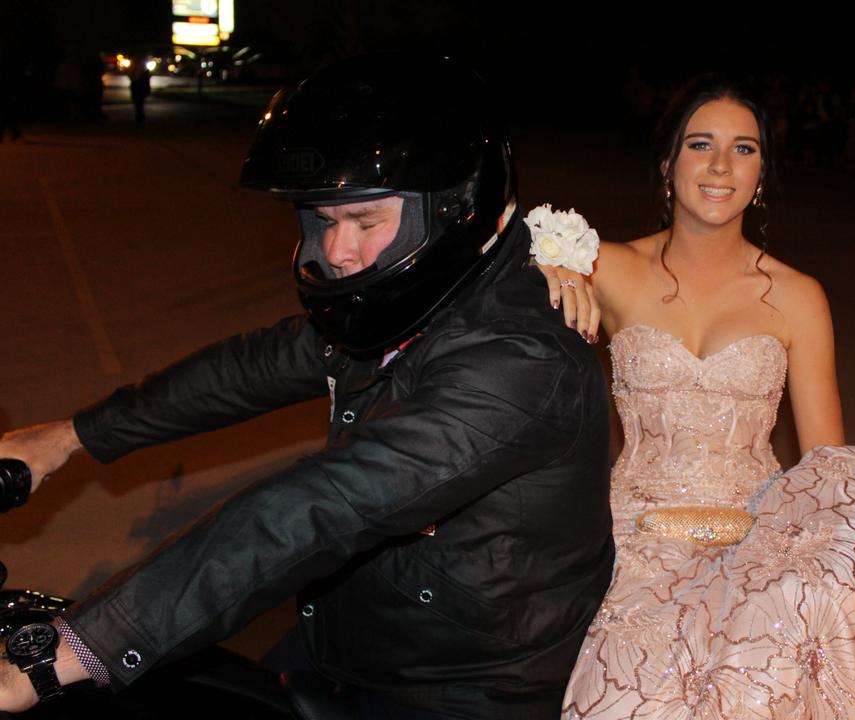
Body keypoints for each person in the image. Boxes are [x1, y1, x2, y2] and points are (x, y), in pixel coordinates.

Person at [0, 55, 614, 719]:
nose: (338, 252)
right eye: (323, 221)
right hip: (368, 636)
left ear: (455, 210)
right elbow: (249, 368)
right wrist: (69, 436)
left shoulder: (519, 360)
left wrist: (71, 650)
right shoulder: (413, 306)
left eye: (366, 222)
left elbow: (324, 504)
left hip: (464, 684)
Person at [544, 75, 855, 719]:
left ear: (762, 173)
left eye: (745, 149)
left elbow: (826, 469)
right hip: (632, 530)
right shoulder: (607, 267)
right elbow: (486, 278)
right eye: (701, 145)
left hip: (757, 531)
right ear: (668, 162)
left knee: (768, 666)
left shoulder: (796, 296)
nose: (722, 166)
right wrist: (550, 266)